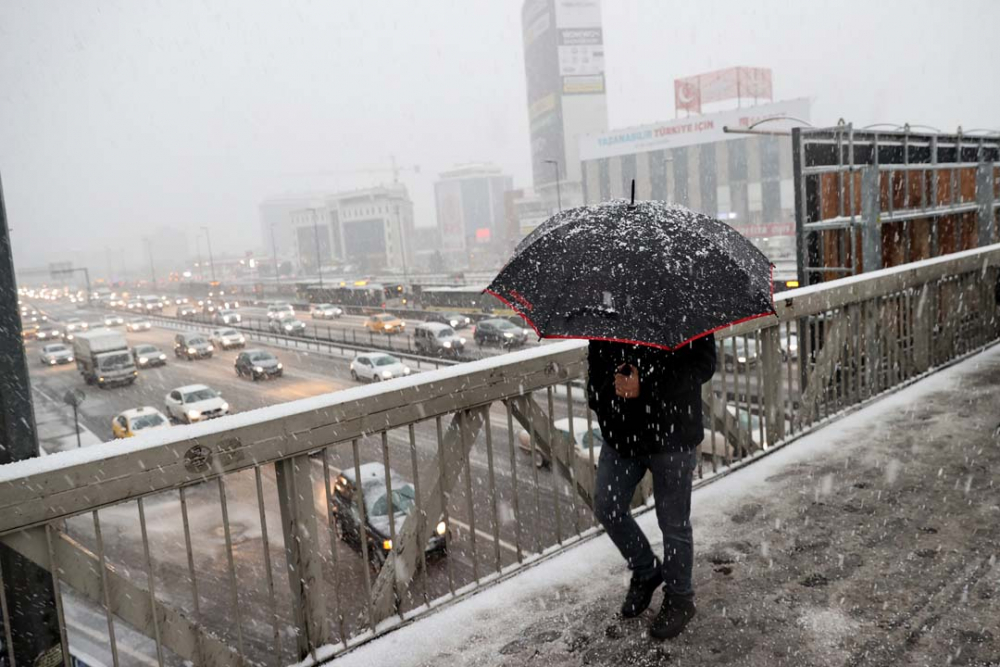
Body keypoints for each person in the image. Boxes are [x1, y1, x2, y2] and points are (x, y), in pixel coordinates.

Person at [587, 334, 716, 640]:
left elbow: (702, 365)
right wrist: (606, 393)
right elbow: (596, 368)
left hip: (672, 435)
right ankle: (646, 570)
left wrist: (644, 384)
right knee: (607, 506)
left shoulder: (685, 299)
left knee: (673, 524)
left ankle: (680, 598)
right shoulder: (608, 306)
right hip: (620, 434)